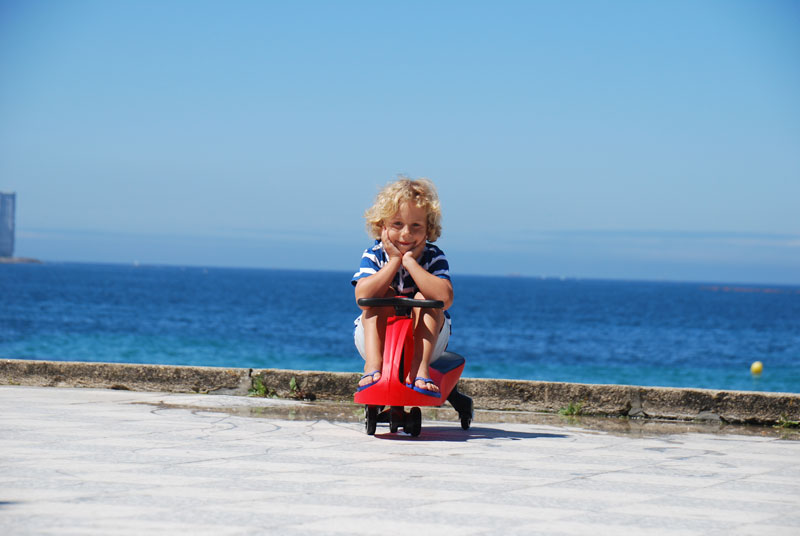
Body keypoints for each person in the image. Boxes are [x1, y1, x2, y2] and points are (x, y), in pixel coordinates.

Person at [352, 177, 453, 396]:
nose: (406, 234)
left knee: (423, 297)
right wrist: (394, 262)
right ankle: (373, 365)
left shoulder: (434, 257)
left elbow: (445, 298)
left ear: (428, 230)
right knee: (382, 294)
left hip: (429, 342)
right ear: (382, 226)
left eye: (416, 226)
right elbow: (362, 296)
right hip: (377, 342)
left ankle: (419, 368)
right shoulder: (374, 255)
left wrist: (410, 263)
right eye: (397, 225)